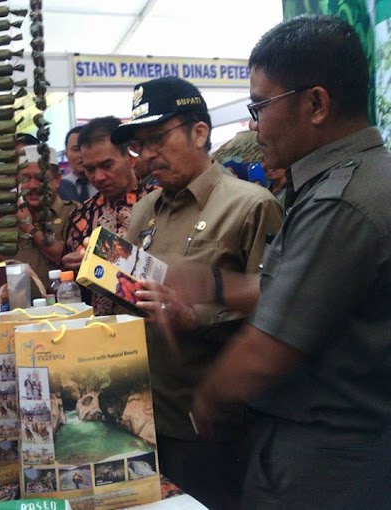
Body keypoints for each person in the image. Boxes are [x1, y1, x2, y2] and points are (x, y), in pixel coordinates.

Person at [155, 16, 391, 509]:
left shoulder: (339, 202)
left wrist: (207, 401)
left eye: (260, 105)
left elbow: (267, 351)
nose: (253, 123)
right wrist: (215, 287)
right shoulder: (359, 178)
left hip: (326, 465)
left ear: (317, 104)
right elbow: (298, 289)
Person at [111, 77, 283, 509]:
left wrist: (196, 316)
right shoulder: (146, 210)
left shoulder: (251, 205)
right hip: (145, 417)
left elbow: (277, 310)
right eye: (139, 144)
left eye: (157, 138)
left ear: (200, 132)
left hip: (210, 422)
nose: (148, 154)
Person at [62, 116, 156, 315]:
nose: (98, 177)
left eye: (107, 165)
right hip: (99, 334)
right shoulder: (81, 216)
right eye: (90, 169)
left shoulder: (160, 204)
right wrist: (71, 268)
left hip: (154, 330)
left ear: (130, 157)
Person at [15, 145, 77, 289]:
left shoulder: (74, 213)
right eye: (25, 178)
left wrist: (29, 228)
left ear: (57, 180)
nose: (32, 186)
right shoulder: (10, 218)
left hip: (65, 306)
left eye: (40, 178)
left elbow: (64, 257)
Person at [57, 126, 97, 202]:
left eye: (86, 148)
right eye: (76, 149)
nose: (81, 154)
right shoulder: (59, 186)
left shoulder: (106, 183)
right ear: (66, 154)